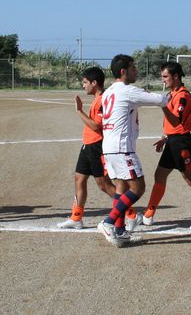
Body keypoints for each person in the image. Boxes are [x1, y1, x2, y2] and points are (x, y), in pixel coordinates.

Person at [97, 54, 169, 247]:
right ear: (123, 71)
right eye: (133, 68)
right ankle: (109, 222)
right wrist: (169, 95)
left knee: (121, 188)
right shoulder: (127, 90)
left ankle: (120, 231)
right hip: (122, 148)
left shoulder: (108, 92)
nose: (136, 71)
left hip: (109, 146)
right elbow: (160, 99)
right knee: (138, 188)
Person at [56, 66, 136, 229]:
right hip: (88, 145)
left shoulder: (104, 100)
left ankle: (131, 214)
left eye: (85, 82)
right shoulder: (97, 98)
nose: (83, 85)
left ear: (94, 83)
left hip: (97, 146)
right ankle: (76, 218)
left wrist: (79, 111)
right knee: (79, 178)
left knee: (104, 184)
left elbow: (95, 126)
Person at [141, 61, 191, 230]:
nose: (163, 80)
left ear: (175, 76)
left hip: (182, 143)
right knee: (160, 175)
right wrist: (165, 137)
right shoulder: (172, 94)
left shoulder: (183, 96)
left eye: (165, 76)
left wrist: (162, 105)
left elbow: (176, 121)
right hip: (173, 141)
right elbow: (171, 124)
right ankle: (148, 215)